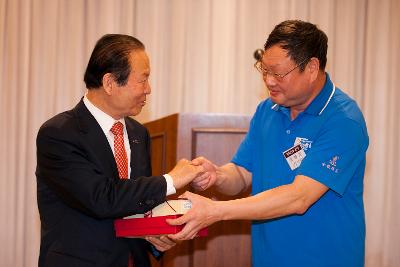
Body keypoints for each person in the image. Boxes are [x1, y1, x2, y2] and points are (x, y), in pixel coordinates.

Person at [168, 20, 369, 267]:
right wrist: (218, 175)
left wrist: (216, 211)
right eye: (264, 70)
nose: (269, 81)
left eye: (278, 73)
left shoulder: (343, 120)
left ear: (312, 67)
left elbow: (299, 198)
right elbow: (242, 173)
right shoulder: (268, 110)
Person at [36, 34, 206, 267]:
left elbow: (136, 201)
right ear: (110, 83)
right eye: (143, 79)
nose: (149, 89)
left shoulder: (139, 133)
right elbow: (102, 198)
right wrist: (171, 180)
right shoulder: (59, 134)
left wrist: (154, 237)